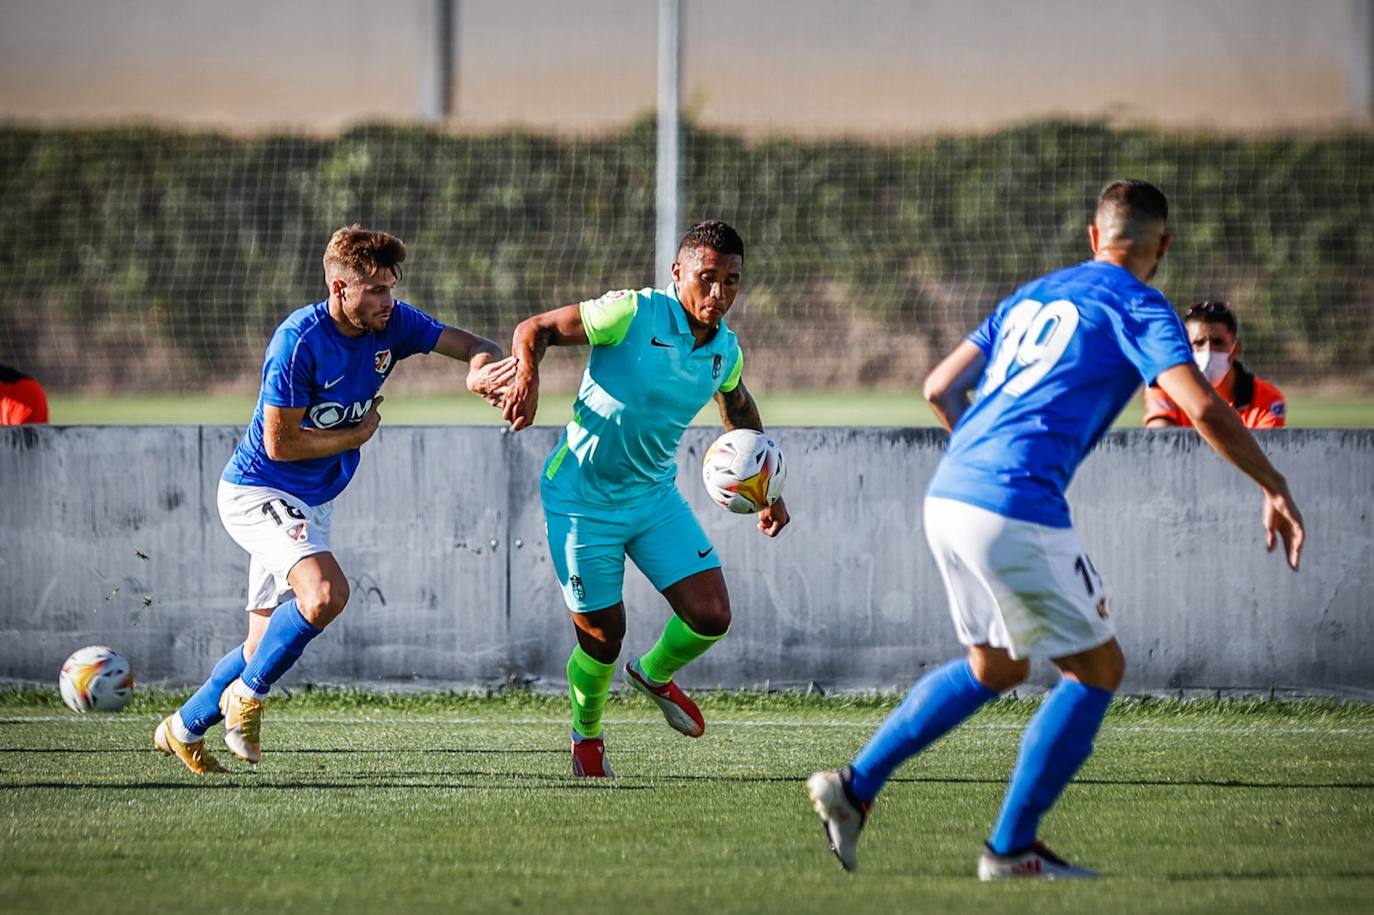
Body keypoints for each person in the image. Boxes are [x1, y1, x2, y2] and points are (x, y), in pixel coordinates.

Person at [806, 180, 1305, 879]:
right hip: (1014, 502)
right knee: (1098, 669)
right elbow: (1202, 407)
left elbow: (938, 388)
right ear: (1161, 245)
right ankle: (1011, 849)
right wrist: (1274, 484)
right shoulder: (1138, 304)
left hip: (949, 492)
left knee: (997, 667)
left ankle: (855, 787)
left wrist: (983, 458)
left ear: (1094, 237)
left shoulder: (1032, 295)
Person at [154, 225, 515, 773]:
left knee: (259, 646)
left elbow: (475, 345)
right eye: (376, 290)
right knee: (325, 594)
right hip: (259, 490)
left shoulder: (394, 323)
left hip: (310, 502)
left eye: (391, 288)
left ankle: (182, 728)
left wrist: (480, 372)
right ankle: (247, 697)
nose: (388, 301)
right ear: (339, 288)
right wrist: (355, 435)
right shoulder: (298, 341)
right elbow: (279, 444)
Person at [502, 220, 790, 777]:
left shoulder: (725, 351)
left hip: (653, 497)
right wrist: (527, 378)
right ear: (677, 273)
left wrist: (766, 489)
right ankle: (587, 735)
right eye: (707, 277)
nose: (718, 293)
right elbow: (534, 329)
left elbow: (738, 406)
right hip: (581, 499)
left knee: (711, 615)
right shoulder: (632, 312)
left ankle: (653, 674)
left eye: (731, 281)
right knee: (603, 638)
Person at [1144, 300, 1286, 428]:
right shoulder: (1165, 387)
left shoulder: (1266, 398)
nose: (1208, 350)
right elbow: (1160, 436)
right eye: (1199, 342)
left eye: (1217, 342)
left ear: (1236, 348)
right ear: (1185, 348)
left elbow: (1266, 447)